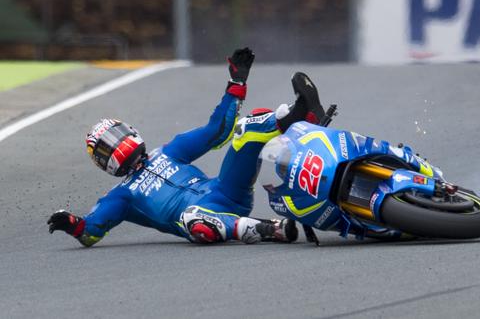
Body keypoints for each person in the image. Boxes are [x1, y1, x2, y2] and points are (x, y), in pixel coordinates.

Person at [47, 47, 325, 246]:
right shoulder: (120, 196)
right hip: (204, 219)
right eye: (107, 148)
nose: (117, 144)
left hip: (227, 191)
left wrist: (236, 83)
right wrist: (72, 225)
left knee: (245, 129)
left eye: (116, 135)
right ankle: (268, 229)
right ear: (103, 163)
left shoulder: (169, 150)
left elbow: (217, 132)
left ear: (130, 131)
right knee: (193, 218)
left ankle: (301, 117)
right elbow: (91, 231)